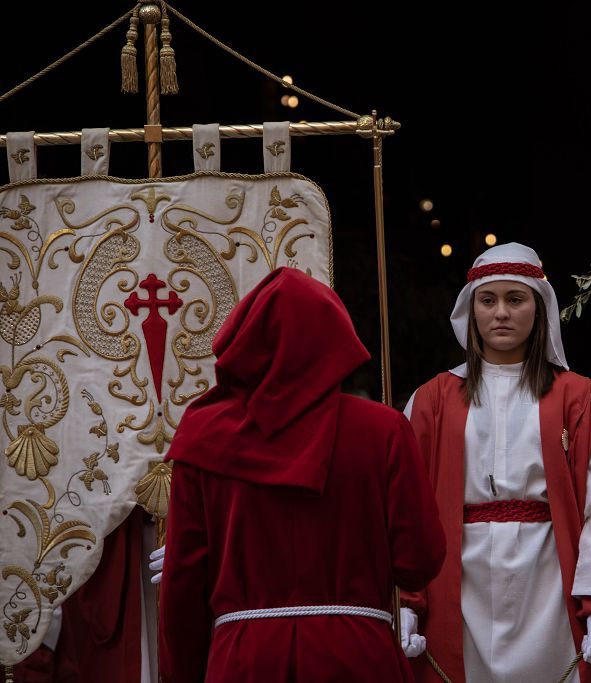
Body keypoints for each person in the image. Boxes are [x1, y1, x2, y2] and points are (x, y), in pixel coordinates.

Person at [155, 267, 446, 682]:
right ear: (333, 338)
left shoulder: (202, 438)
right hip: (357, 655)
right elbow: (419, 561)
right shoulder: (383, 430)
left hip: (244, 660)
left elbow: (182, 589)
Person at [400, 242, 591, 683]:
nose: (501, 313)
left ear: (539, 308)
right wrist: (407, 600)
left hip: (547, 577)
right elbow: (408, 509)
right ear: (471, 311)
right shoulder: (431, 399)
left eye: (515, 299)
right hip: (460, 579)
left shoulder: (579, 397)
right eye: (488, 301)